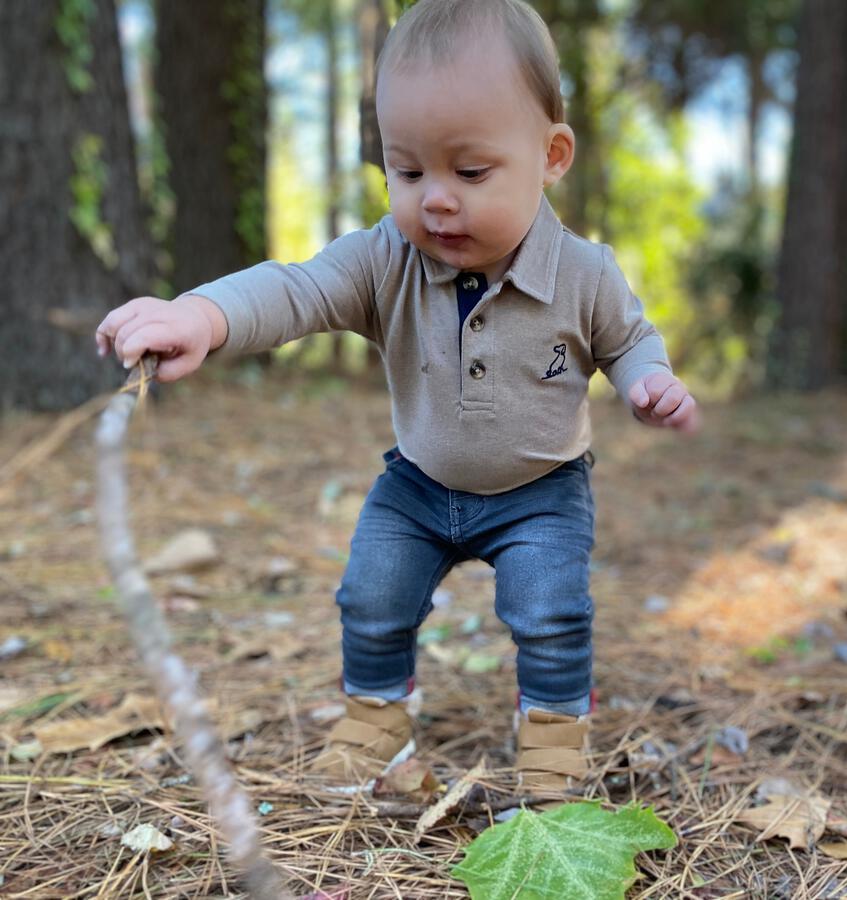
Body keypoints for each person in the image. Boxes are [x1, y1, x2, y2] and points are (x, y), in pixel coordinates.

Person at [95, 0, 698, 794]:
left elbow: (627, 342)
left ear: (551, 155)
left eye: (470, 172)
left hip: (542, 491)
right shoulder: (387, 259)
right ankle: (376, 720)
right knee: (371, 593)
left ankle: (553, 733)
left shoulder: (584, 274)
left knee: (550, 611)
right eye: (407, 170)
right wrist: (202, 316)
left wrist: (646, 381)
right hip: (418, 485)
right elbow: (296, 290)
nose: (435, 199)